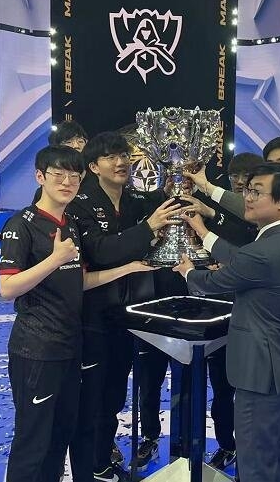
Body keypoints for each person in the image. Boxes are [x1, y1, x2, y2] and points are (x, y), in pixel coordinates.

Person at [0, 145, 154, 482]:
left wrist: (126, 268)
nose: (67, 182)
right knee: (33, 441)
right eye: (58, 174)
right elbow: (7, 288)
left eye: (74, 175)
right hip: (37, 349)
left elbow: (79, 280)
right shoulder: (21, 224)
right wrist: (54, 259)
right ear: (40, 177)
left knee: (60, 435)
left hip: (71, 345)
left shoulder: (70, 224)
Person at [173, 163, 280, 482]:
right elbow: (242, 259)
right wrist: (203, 231)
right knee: (271, 453)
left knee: (254, 461)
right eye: (248, 189)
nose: (247, 197)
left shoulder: (264, 251)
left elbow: (215, 281)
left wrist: (188, 272)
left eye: (256, 192)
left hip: (259, 372)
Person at [65, 132, 180, 482]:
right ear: (93, 166)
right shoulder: (80, 204)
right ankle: (91, 466)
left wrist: (176, 185)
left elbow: (158, 202)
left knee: (114, 393)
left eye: (124, 156)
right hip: (92, 316)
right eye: (111, 157)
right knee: (93, 397)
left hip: (128, 314)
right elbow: (99, 252)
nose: (121, 163)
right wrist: (148, 228)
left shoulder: (132, 200)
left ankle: (102, 460)